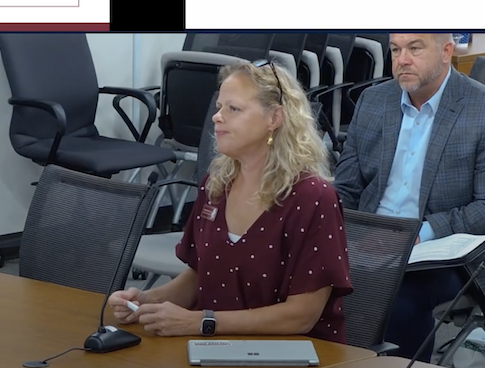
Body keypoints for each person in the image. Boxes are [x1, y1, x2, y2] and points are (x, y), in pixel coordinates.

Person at [107, 59, 353, 343]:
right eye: (219, 107)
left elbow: (302, 315)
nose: (217, 117)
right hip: (214, 344)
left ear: (274, 118)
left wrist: (203, 322)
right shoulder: (216, 185)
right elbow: (200, 276)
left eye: (233, 109)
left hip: (291, 352)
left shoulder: (313, 197)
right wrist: (145, 300)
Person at [334, 33, 485, 360]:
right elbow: (346, 187)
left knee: (395, 302)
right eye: (395, 50)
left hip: (444, 252)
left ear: (446, 52)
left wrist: (418, 234)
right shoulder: (374, 100)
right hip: (368, 237)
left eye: (415, 48)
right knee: (304, 277)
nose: (402, 60)